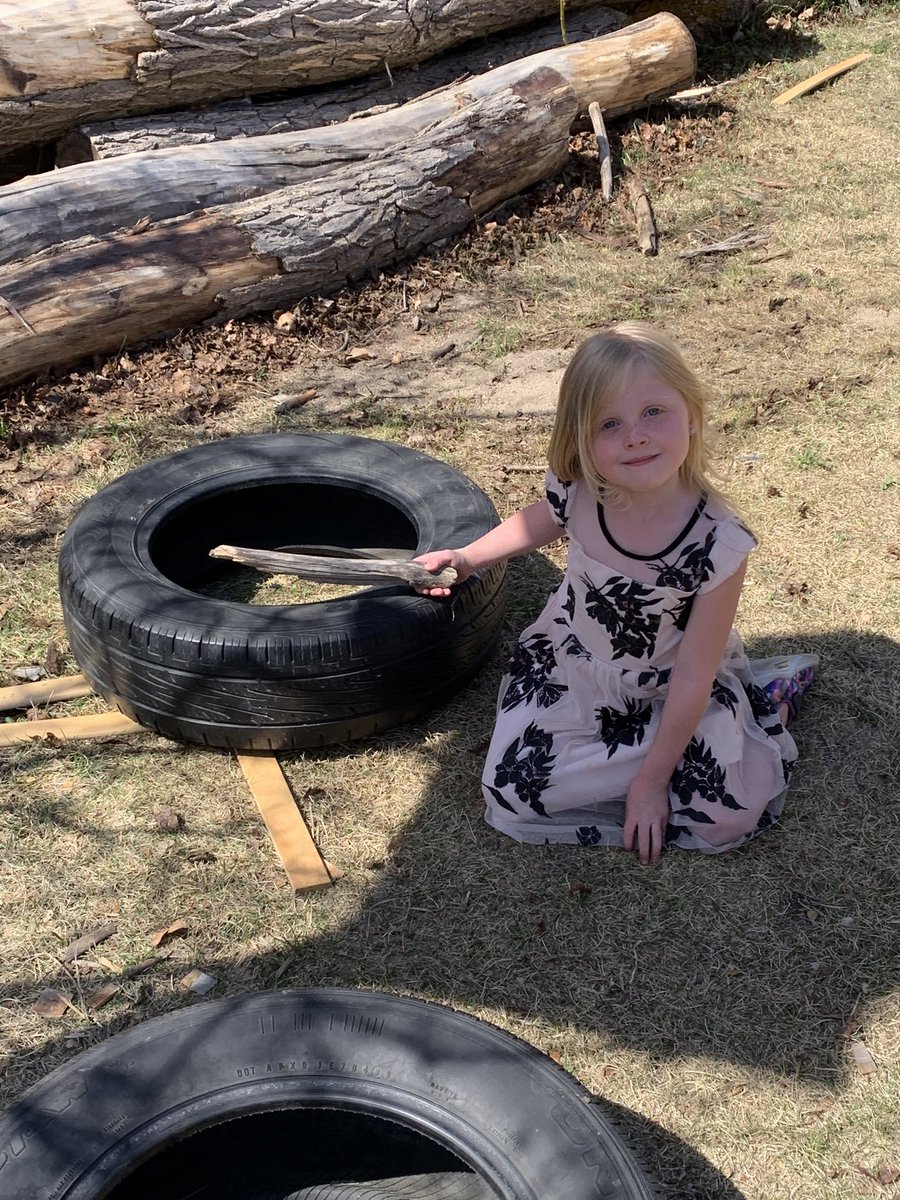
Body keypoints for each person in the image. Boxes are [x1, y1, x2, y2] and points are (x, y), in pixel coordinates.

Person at [414, 322, 817, 865]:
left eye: (654, 411)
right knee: (513, 790)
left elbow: (695, 675)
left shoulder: (718, 544)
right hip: (573, 672)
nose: (636, 436)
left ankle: (761, 716)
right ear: (581, 436)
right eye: (610, 422)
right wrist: (466, 560)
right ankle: (687, 746)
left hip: (669, 693)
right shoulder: (583, 490)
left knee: (726, 813)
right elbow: (540, 521)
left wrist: (651, 786)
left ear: (692, 415)